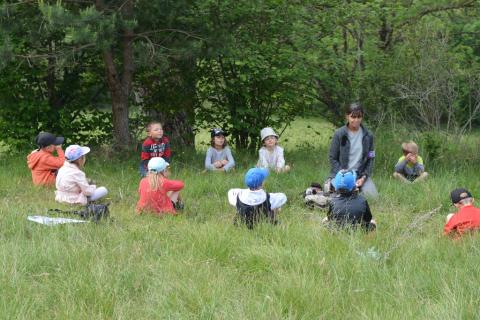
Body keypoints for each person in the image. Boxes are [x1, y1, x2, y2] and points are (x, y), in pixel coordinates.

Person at [326, 103, 378, 197]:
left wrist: (363, 177)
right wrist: (344, 174)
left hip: (359, 175)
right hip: (342, 174)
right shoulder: (339, 134)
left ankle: (356, 189)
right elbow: (332, 158)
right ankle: (332, 185)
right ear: (347, 116)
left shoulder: (368, 136)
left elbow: (371, 158)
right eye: (353, 117)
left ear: (362, 117)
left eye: (359, 117)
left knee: (373, 197)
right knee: (337, 197)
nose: (356, 120)